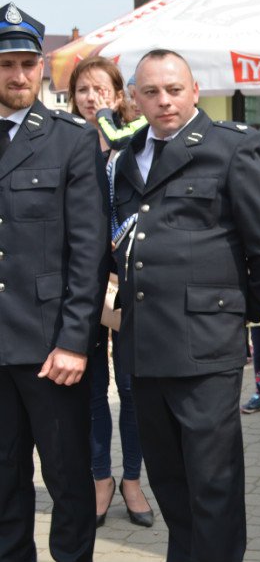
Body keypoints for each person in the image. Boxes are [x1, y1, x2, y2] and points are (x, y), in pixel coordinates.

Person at [111, 49, 260, 561]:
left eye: (174, 89)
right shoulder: (128, 159)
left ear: (195, 90)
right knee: (169, 482)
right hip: (145, 348)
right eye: (151, 91)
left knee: (213, 487)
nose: (164, 101)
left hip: (205, 351)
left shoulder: (231, 148)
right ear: (135, 98)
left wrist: (236, 311)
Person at [0, 2, 110, 562]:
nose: (18, 76)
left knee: (68, 486)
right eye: (5, 65)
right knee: (3, 488)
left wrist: (73, 340)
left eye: (27, 64)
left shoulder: (69, 139)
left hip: (50, 350)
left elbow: (88, 251)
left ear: (40, 69)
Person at [67, 55, 153, 529]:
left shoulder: (135, 141)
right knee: (92, 390)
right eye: (83, 90)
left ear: (119, 95)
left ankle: (133, 480)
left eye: (101, 89)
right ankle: (100, 478)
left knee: (133, 388)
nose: (92, 97)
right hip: (81, 286)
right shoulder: (61, 141)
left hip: (129, 282)